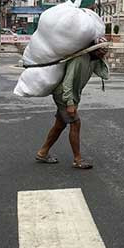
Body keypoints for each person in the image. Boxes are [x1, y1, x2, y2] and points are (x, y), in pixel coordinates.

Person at [36, 38, 110, 169]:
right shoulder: (79, 59)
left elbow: (104, 74)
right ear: (93, 50)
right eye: (100, 52)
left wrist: (102, 59)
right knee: (75, 123)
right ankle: (77, 159)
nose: (102, 54)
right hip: (63, 94)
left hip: (72, 96)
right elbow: (67, 82)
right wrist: (70, 103)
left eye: (104, 52)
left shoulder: (94, 61)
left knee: (60, 125)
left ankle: (43, 152)